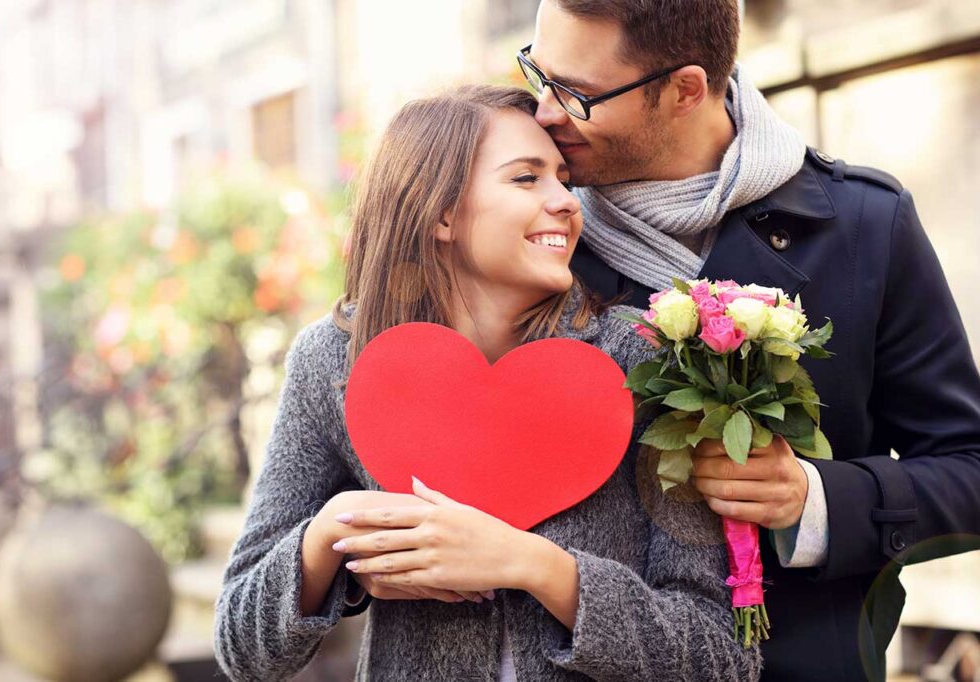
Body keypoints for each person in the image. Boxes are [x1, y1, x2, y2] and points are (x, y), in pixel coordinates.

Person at [509, 1, 980, 680]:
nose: (544, 112)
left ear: (686, 88)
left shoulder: (866, 224)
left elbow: (978, 479)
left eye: (578, 95)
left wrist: (813, 499)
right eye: (539, 73)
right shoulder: (526, 237)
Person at [213, 85, 762, 681]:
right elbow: (241, 649)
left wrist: (536, 566)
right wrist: (330, 535)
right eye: (526, 179)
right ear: (441, 213)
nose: (567, 202)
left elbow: (724, 656)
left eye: (562, 178)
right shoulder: (334, 363)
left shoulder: (645, 362)